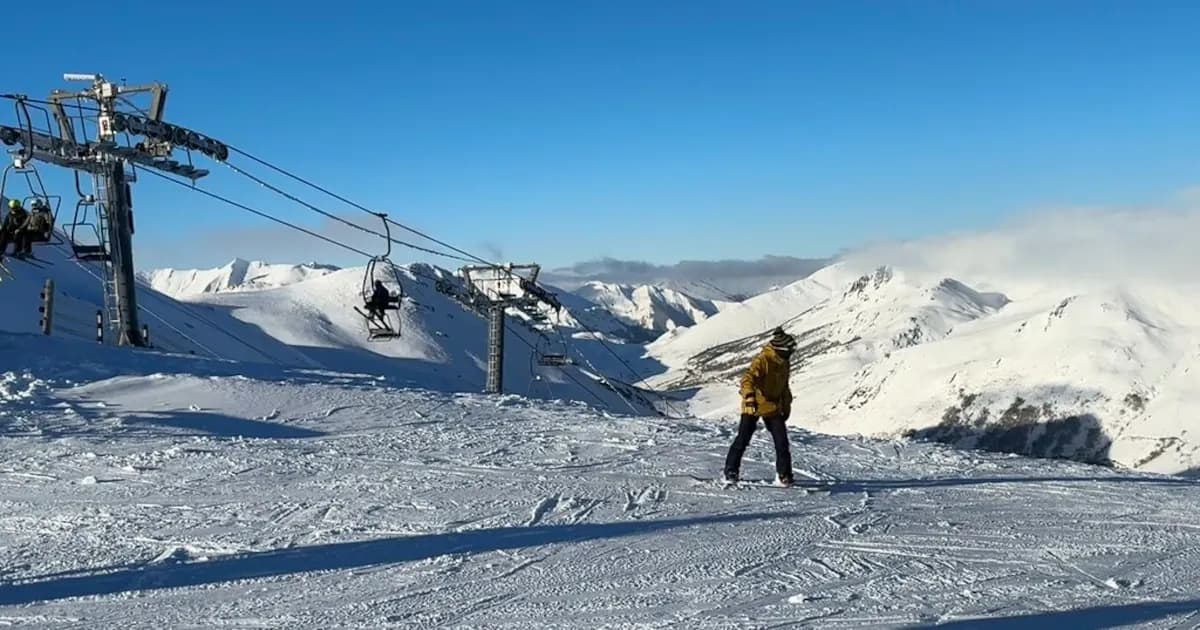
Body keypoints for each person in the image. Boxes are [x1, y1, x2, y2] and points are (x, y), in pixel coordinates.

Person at [723, 326, 797, 486]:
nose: (792, 352)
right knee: (743, 438)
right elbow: (747, 379)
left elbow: (784, 386)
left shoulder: (784, 362)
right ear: (781, 348)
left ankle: (784, 474)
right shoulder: (763, 360)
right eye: (790, 349)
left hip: (772, 406)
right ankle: (731, 470)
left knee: (782, 441)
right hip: (754, 404)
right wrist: (749, 396)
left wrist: (786, 405)